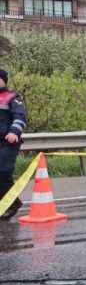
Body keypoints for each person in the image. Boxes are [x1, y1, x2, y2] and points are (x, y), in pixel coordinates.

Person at [0, 69, 27, 221]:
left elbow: (20, 117)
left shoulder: (12, 97)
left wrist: (14, 132)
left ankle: (13, 203)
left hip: (8, 142)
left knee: (2, 172)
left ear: (3, 80)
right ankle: (5, 204)